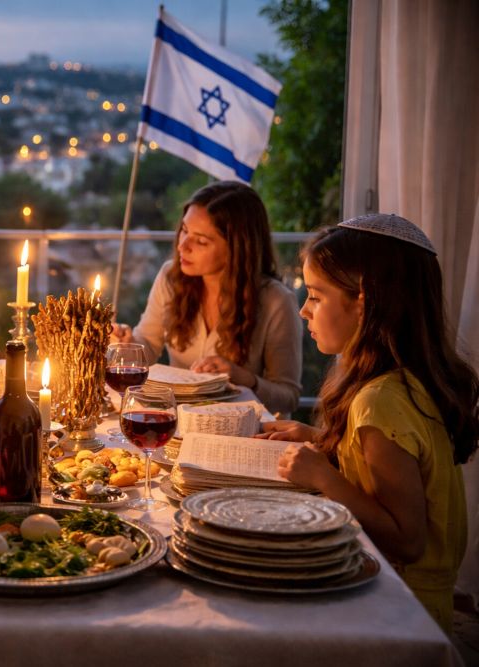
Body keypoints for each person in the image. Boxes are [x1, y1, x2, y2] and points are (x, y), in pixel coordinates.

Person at [263, 214, 478, 633]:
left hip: (400, 608)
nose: (304, 310)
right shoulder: (398, 383)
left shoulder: (379, 402)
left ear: (364, 303)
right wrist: (319, 439)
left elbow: (407, 540)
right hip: (398, 593)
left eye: (316, 296)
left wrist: (325, 478)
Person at [112, 181, 303, 415]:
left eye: (201, 241)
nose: (183, 246)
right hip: (176, 422)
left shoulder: (276, 301)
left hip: (241, 434)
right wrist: (127, 344)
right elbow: (148, 346)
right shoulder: (171, 278)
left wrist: (245, 379)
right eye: (184, 230)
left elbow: (288, 398)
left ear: (237, 248)